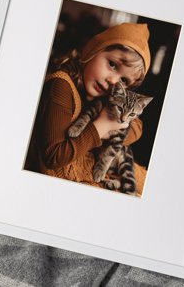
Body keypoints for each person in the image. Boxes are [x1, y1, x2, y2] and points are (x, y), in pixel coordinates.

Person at [24, 22, 151, 195]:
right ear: (94, 50)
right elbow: (53, 157)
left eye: (124, 81)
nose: (113, 81)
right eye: (112, 65)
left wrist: (112, 131)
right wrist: (101, 128)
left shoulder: (108, 99)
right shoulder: (61, 86)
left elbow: (137, 127)